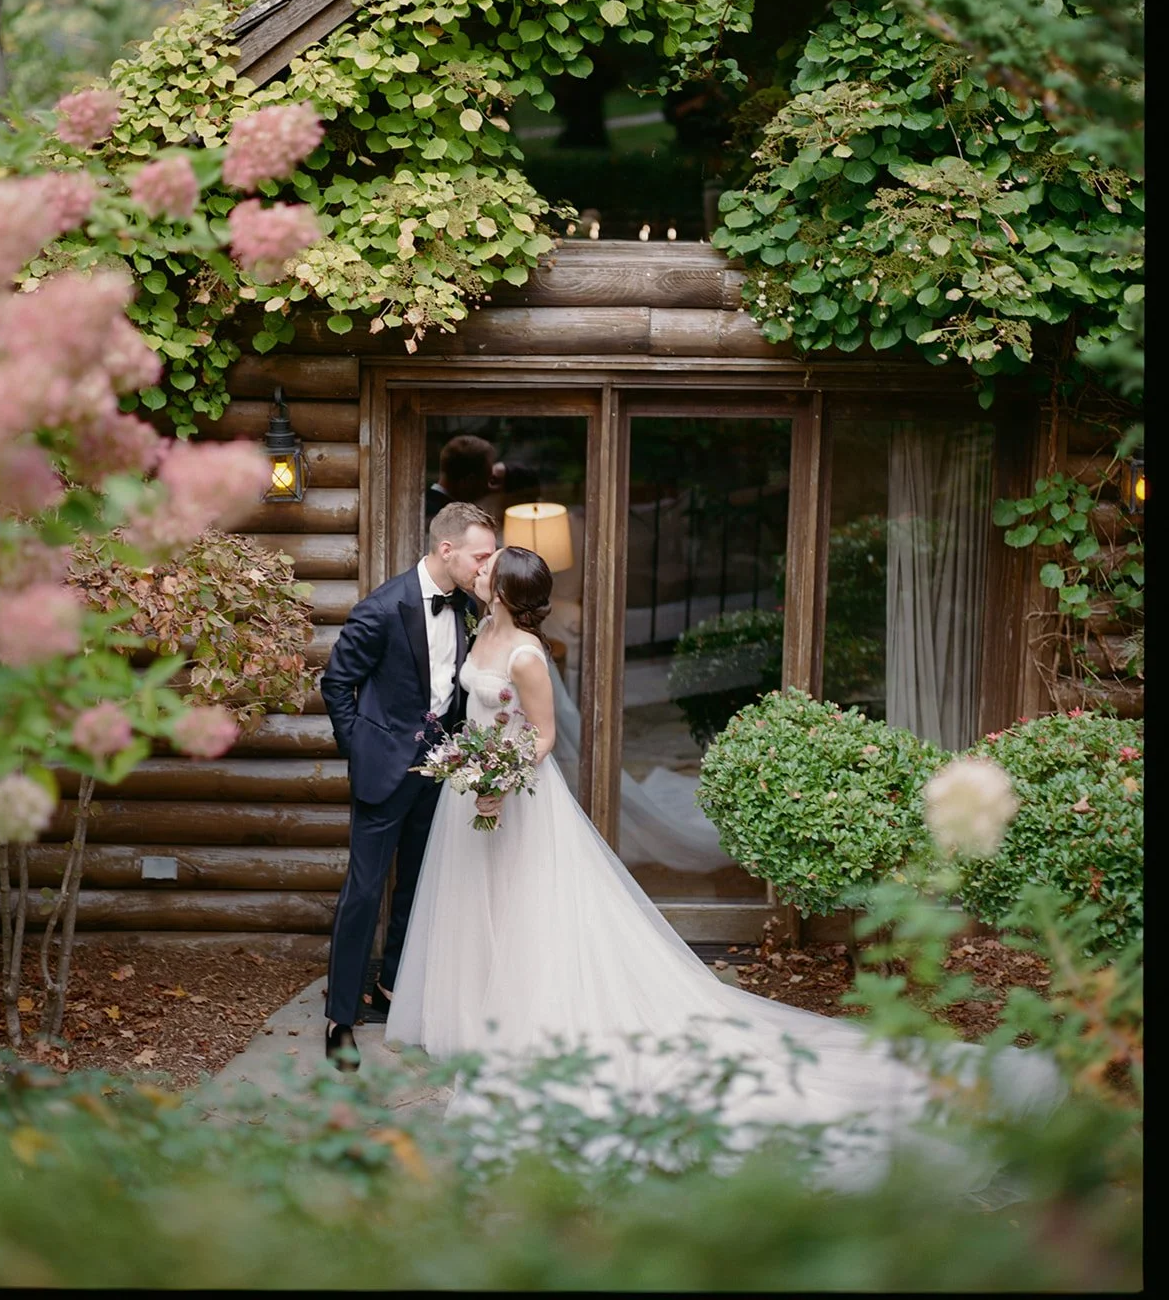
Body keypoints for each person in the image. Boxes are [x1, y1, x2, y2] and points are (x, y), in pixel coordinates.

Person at [385, 545, 1061, 1191]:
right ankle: (479, 1016)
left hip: (519, 800)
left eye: (489, 567)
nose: (479, 570)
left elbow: (544, 736)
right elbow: (472, 714)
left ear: (503, 590)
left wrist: (503, 777)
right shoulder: (479, 632)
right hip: (472, 794)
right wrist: (467, 765)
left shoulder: (528, 654)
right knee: (482, 906)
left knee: (531, 909)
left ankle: (529, 1030)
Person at [319, 500, 497, 1069]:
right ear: (448, 551)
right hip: (384, 773)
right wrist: (363, 748)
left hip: (441, 771)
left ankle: (391, 987)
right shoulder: (381, 608)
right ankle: (339, 1018)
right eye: (480, 556)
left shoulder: (471, 609)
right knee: (364, 892)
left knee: (419, 887)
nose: (485, 565)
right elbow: (335, 687)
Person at [424, 434, 497, 523]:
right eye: (487, 480)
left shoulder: (420, 503)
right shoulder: (453, 520)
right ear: (470, 481)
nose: (489, 487)